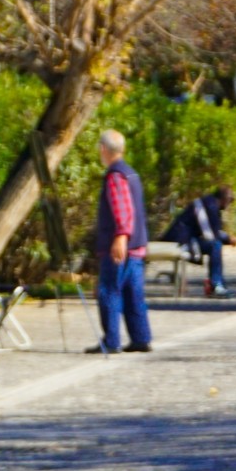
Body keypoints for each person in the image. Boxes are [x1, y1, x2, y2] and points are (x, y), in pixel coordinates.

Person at [91, 129, 153, 354]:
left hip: (120, 246)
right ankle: (141, 338)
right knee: (133, 293)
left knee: (109, 290)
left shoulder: (115, 175)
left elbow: (123, 209)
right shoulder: (131, 173)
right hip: (137, 246)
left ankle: (112, 340)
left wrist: (120, 237)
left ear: (103, 149)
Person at [160, 185, 236, 297]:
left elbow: (212, 231)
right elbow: (210, 234)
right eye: (229, 201)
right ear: (225, 199)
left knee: (215, 244)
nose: (228, 205)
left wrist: (226, 238)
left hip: (186, 239)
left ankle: (218, 283)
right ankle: (216, 285)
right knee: (215, 245)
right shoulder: (209, 206)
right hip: (180, 241)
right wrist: (227, 239)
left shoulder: (209, 203)